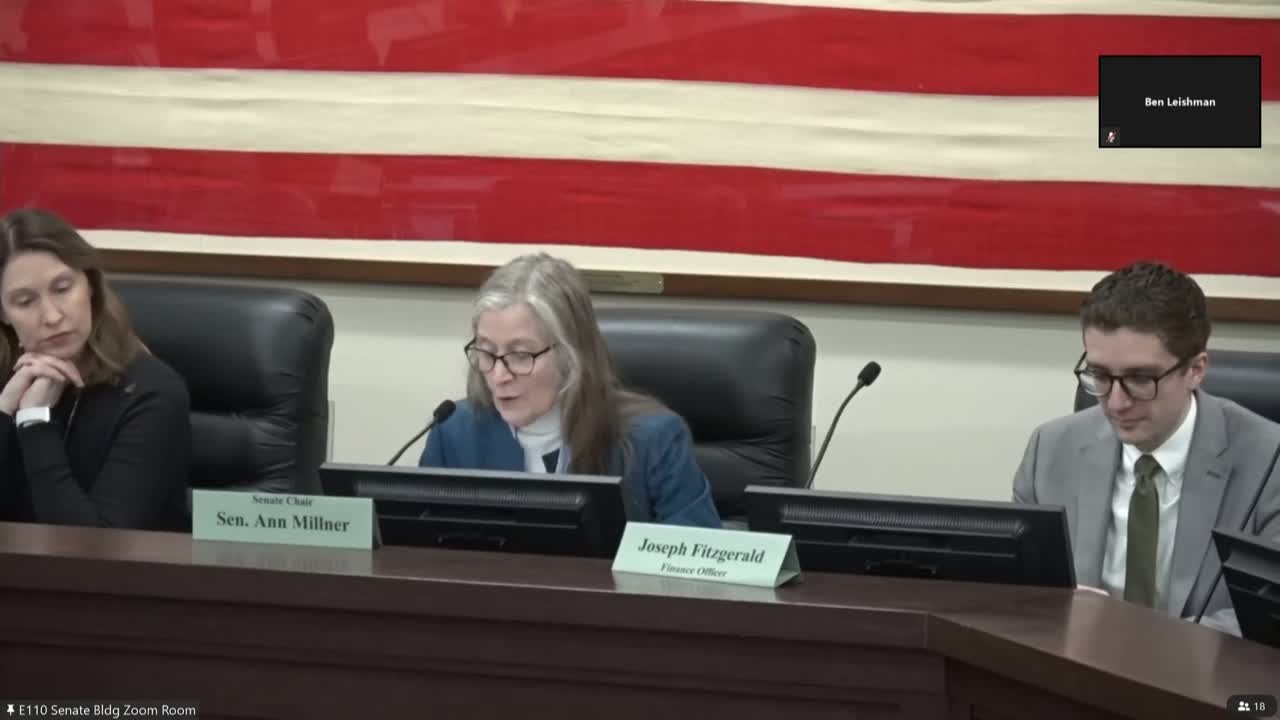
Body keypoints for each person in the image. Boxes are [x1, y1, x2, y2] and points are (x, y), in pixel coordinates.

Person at [1013, 261, 1280, 635]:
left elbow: (1269, 616)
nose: (1116, 403)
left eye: (1140, 379)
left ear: (1195, 370)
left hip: (1203, 667)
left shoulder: (1270, 461)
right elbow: (1022, 588)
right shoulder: (1051, 449)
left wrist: (1152, 644)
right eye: (1100, 375)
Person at [420, 253, 720, 528]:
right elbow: (418, 551)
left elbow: (698, 558)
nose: (499, 375)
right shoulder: (454, 432)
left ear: (571, 356)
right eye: (487, 351)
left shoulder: (653, 440)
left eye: (520, 355)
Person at [0, 208, 191, 530]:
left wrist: (34, 422)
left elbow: (96, 544)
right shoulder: (6, 380)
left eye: (63, 288)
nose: (52, 317)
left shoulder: (152, 392)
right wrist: (4, 410)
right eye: (25, 301)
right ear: (3, 314)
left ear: (89, 284)